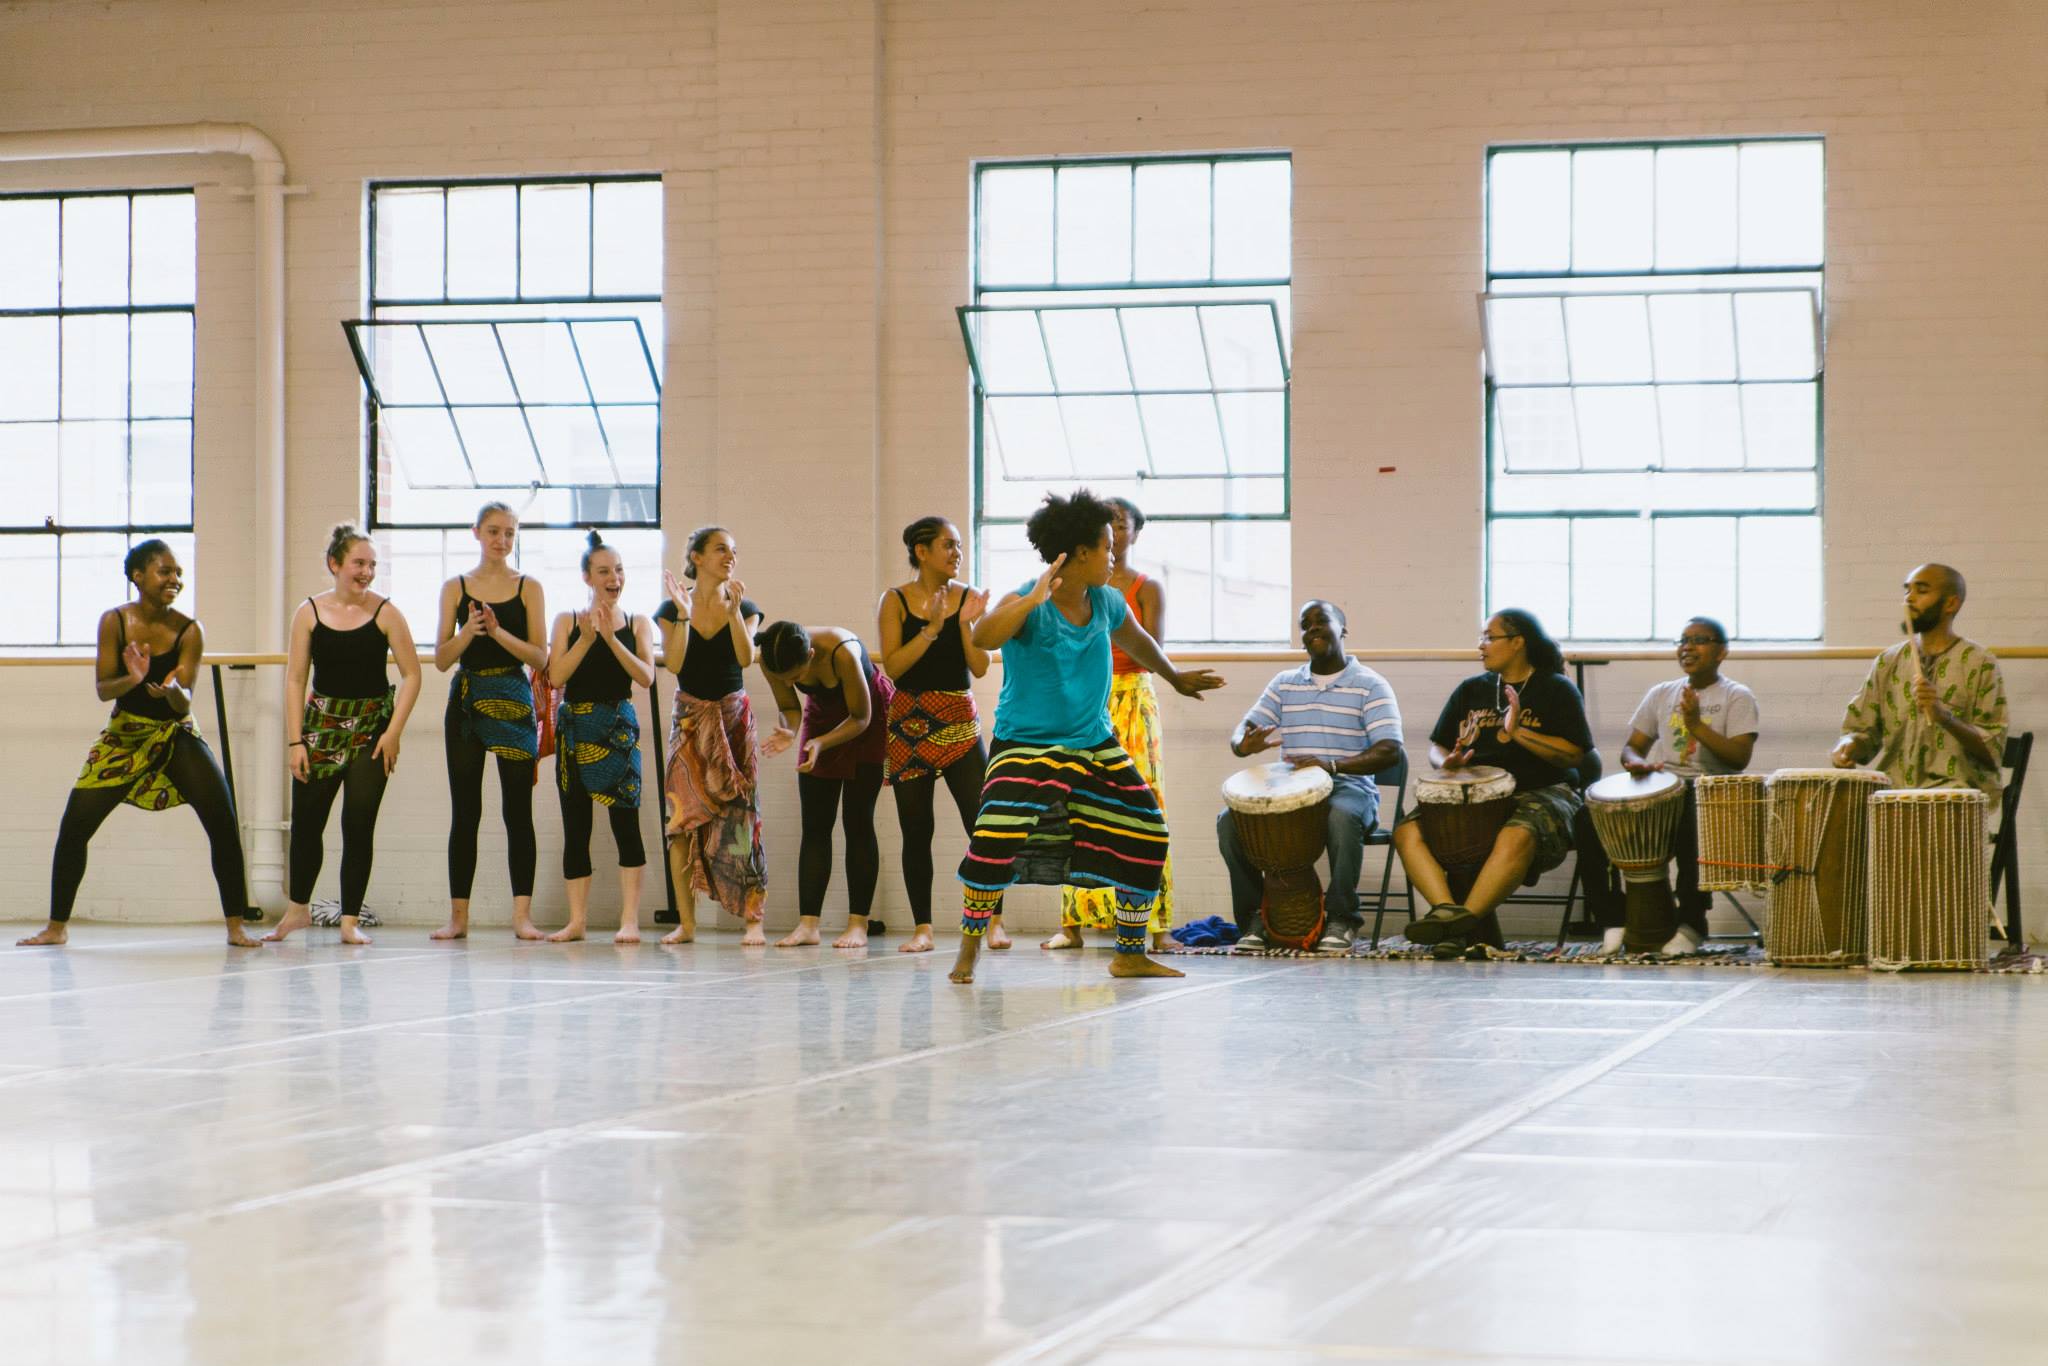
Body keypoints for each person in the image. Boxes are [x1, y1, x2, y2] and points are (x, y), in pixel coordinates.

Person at [949, 489, 1225, 986]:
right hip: (1026, 743)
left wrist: (1175, 677)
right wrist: (1031, 600)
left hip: (1093, 743)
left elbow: (1138, 640)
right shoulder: (1027, 601)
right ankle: (968, 949)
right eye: (1106, 548)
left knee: (1148, 833)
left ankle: (1129, 953)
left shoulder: (1106, 601)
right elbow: (983, 638)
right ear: (1080, 553)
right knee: (992, 841)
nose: (1113, 556)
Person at [21, 541, 258, 948]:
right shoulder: (114, 621)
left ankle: (236, 926)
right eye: (165, 571)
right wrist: (133, 678)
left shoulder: (189, 629)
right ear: (138, 576)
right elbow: (103, 689)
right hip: (125, 734)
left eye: (178, 573)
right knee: (75, 827)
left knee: (222, 820)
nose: (175, 580)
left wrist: (174, 692)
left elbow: (185, 700)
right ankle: (56, 927)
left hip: (174, 731)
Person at [1391, 609, 1593, 950]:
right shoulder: (1471, 689)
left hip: (1543, 792)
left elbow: (1575, 755)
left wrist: (1518, 732)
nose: (1481, 645)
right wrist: (1446, 762)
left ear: (1517, 642)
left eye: (1489, 637)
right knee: (1407, 832)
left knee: (1517, 833)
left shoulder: (1556, 689)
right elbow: (1438, 746)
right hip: (1472, 797)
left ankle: (1458, 924)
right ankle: (1448, 912)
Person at [265, 524, 423, 945]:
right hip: (321, 728)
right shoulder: (309, 613)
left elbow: (412, 674)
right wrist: (295, 741)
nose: (367, 572)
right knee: (307, 824)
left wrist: (393, 732)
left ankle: (349, 919)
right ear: (335, 564)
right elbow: (295, 679)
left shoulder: (386, 613)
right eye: (359, 563)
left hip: (371, 729)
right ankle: (297, 910)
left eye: (372, 564)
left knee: (358, 825)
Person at [1220, 600, 1404, 952]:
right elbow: (1244, 729)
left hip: (1349, 787)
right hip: (1291, 793)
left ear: (1343, 629)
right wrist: (1243, 743)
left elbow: (1389, 749)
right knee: (1228, 822)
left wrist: (1331, 766)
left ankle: (1343, 918)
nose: (1313, 628)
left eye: (1322, 620)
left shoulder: (1370, 684)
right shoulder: (1285, 683)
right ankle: (1256, 920)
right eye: (1306, 624)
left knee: (1341, 816)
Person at [1584, 616, 1759, 956]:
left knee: (1693, 813)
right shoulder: (1662, 693)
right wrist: (1635, 763)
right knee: (1587, 819)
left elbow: (1739, 758)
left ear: (1722, 652)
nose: (1688, 647)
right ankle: (1612, 919)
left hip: (1709, 791)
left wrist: (1695, 725)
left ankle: (1692, 923)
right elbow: (1632, 747)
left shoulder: (1736, 696)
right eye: (1683, 640)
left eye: (1700, 640)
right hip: (1664, 786)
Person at [1050, 496, 1177, 952]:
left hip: (1133, 696)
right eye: (1108, 526)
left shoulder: (1144, 587)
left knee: (1145, 805)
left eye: (1121, 525)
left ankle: (1156, 924)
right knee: (1080, 804)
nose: (1114, 533)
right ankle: (1074, 922)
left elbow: (1150, 647)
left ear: (1135, 533)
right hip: (1087, 697)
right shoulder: (1070, 586)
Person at [431, 502, 549, 941]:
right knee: (466, 811)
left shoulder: (529, 587)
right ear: (476, 532)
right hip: (467, 701)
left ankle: (522, 916)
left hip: (513, 697)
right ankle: (458, 917)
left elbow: (540, 656)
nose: (502, 540)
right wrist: (469, 630)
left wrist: (498, 632)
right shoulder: (455, 587)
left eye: (510, 533)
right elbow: (442, 659)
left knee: (517, 811)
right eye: (494, 531)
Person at [879, 517, 993, 955]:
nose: (956, 553)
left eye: (959, 545)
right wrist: (930, 628)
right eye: (948, 545)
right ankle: (922, 928)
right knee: (916, 829)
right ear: (921, 551)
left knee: (983, 824)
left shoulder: (968, 596)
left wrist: (962, 625)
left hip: (958, 718)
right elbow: (894, 667)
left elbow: (979, 667)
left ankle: (992, 922)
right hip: (910, 722)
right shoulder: (894, 600)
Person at [655, 525, 768, 946]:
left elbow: (745, 657)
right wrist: (683, 614)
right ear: (697, 557)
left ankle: (752, 921)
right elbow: (674, 663)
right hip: (689, 722)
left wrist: (735, 613)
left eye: (733, 550)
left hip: (732, 722)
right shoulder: (671, 609)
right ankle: (686, 923)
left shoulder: (746, 607)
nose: (730, 557)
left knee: (741, 821)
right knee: (680, 823)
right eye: (721, 549)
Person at [545, 532, 657, 944]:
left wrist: (610, 639)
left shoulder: (638, 622)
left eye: (619, 570)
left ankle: (630, 920)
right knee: (576, 826)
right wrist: (589, 639)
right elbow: (556, 676)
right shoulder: (567, 620)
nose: (614, 578)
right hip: (576, 727)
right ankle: (577, 921)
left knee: (626, 823)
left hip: (618, 727)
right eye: (604, 571)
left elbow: (646, 676)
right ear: (587, 577)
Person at [757, 620, 895, 949]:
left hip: (867, 717)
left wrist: (821, 742)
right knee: (815, 825)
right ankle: (808, 925)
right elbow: (789, 707)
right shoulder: (771, 659)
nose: (789, 683)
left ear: (810, 654)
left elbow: (860, 717)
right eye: (784, 679)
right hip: (821, 717)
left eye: (795, 677)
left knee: (858, 821)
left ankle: (858, 924)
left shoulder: (842, 652)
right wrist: (790, 731)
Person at [1832, 563, 2006, 798]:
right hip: (1892, 793)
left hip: (1957, 796)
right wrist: (1848, 745)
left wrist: (1943, 716)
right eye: (1907, 590)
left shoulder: (1980, 662)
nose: (1909, 598)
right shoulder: (1888, 661)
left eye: (1921, 590)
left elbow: (1993, 750)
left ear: (1951, 604)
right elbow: (1860, 731)